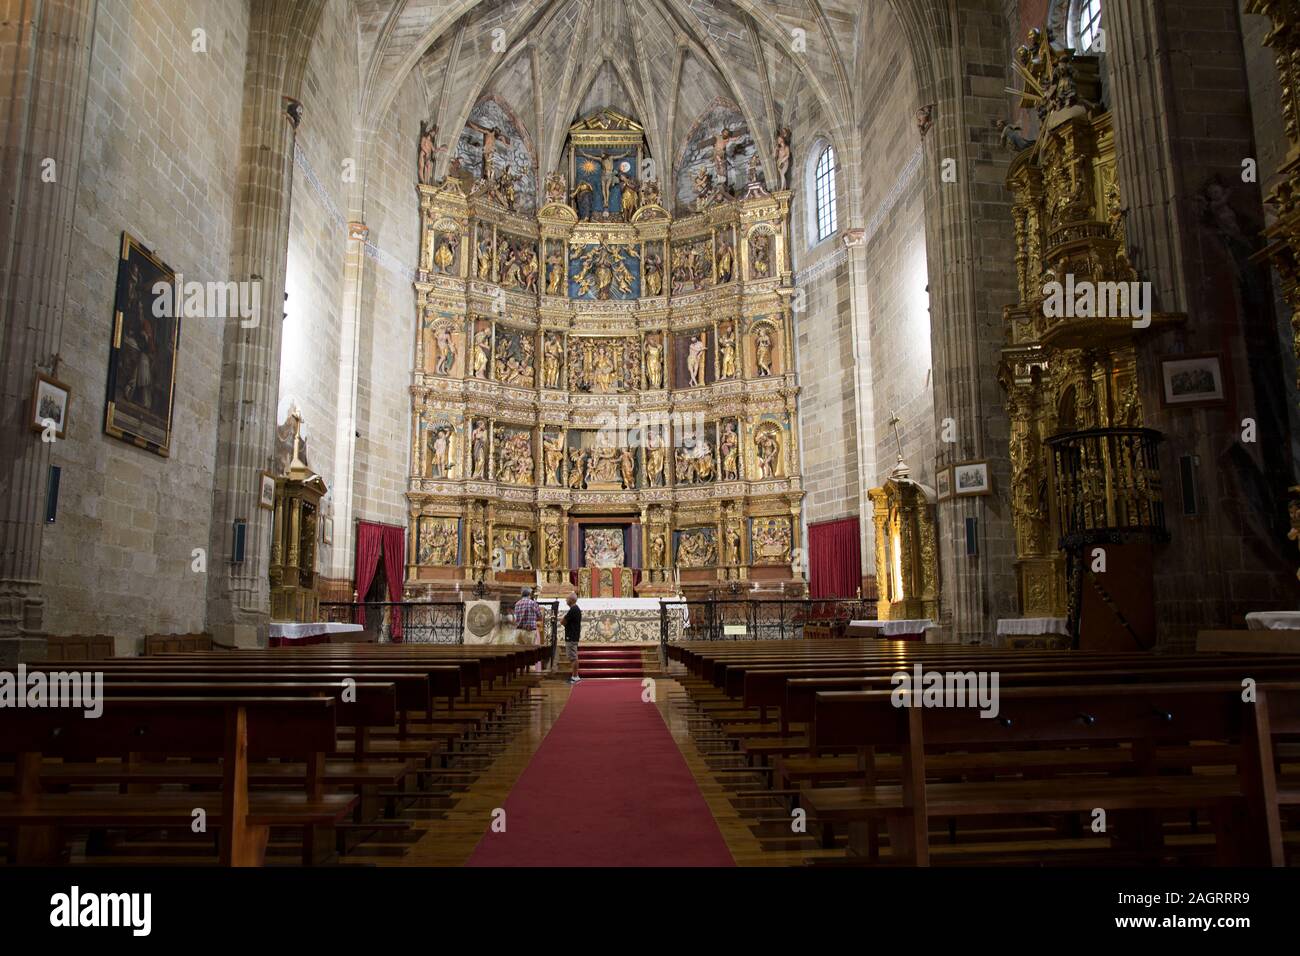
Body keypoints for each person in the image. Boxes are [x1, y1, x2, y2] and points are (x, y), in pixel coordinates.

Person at [561, 592, 583, 685]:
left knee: (573, 657)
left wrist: (563, 620)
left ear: (571, 600)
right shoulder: (575, 609)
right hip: (573, 635)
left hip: (571, 636)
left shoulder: (573, 609)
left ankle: (575, 677)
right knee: (573, 657)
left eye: (567, 598)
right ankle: (575, 676)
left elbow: (563, 621)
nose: (566, 600)